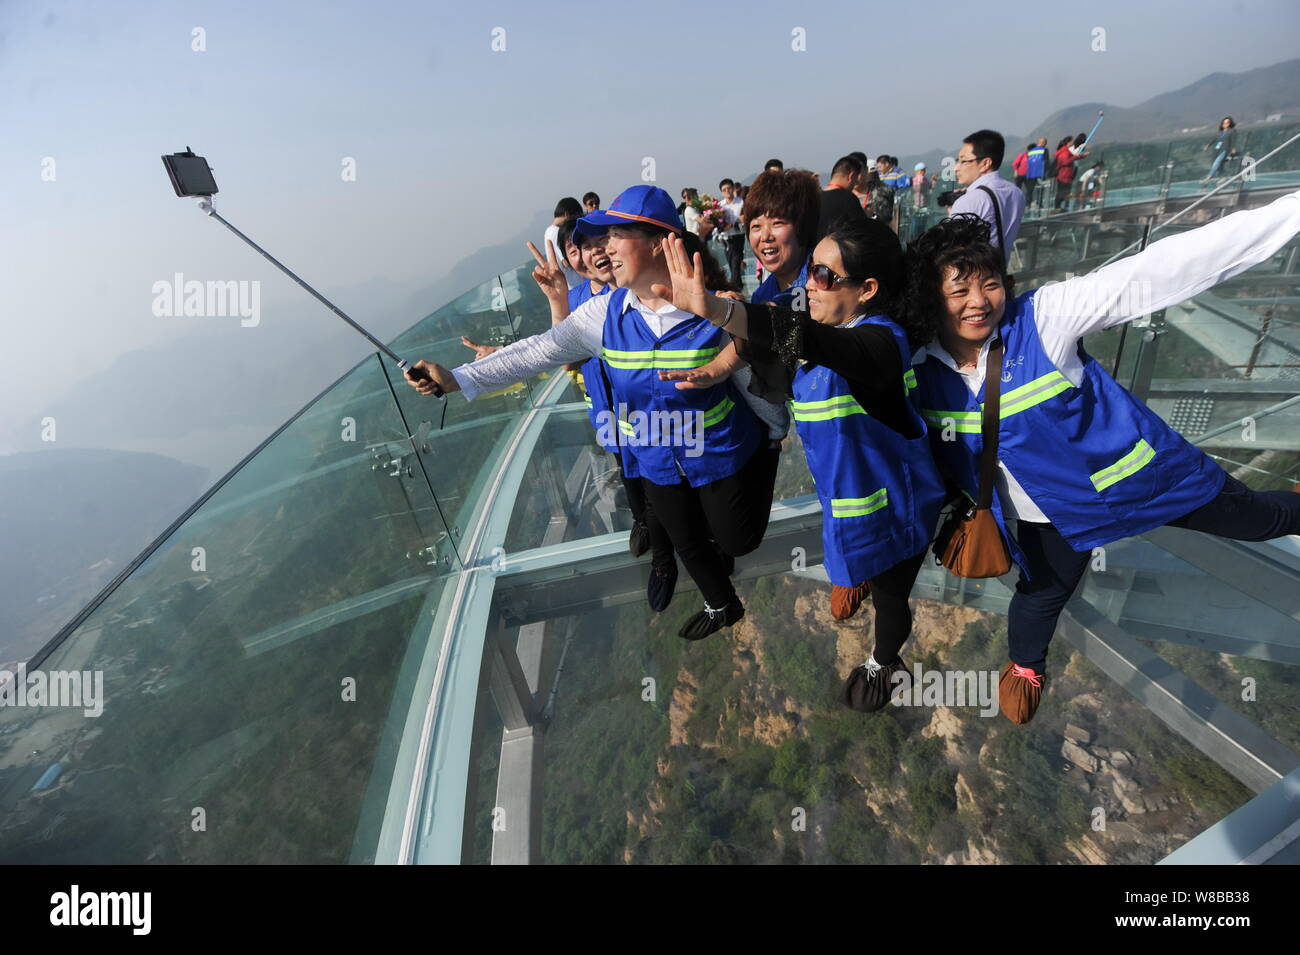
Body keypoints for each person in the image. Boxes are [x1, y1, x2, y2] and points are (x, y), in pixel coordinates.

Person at [904, 192, 1300, 724]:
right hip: (1056, 515)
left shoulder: (1043, 320)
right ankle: (1025, 665)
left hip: (1141, 482)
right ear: (932, 298)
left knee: (1258, 520)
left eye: (990, 283)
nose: (979, 301)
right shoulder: (919, 364)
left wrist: (1290, 213)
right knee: (1041, 592)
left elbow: (1160, 270)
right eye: (959, 289)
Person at [405, 186, 788, 642]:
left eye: (617, 234)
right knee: (684, 539)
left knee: (737, 541)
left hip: (722, 450)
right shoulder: (603, 316)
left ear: (660, 240)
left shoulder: (712, 307)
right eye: (600, 238)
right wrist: (456, 378)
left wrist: (774, 430)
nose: (603, 249)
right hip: (654, 455)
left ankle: (727, 538)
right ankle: (721, 604)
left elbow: (754, 377)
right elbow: (536, 352)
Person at [657, 219, 948, 712]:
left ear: (868, 290)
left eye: (825, 277)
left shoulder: (879, 345)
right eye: (812, 271)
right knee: (859, 568)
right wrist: (712, 366)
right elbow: (774, 346)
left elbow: (815, 343)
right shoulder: (821, 335)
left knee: (890, 597)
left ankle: (882, 661)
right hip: (847, 505)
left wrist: (720, 309)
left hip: (900, 511)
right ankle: (854, 574)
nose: (809, 285)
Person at [744, 168, 820, 306]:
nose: (765, 236)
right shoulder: (761, 296)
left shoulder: (826, 280)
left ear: (802, 226)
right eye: (756, 226)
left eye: (777, 223)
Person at [950, 129, 1025, 259]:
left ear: (985, 163)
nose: (956, 167)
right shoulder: (1017, 193)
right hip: (999, 274)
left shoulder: (970, 200)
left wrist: (955, 210)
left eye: (963, 161)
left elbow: (953, 250)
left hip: (971, 276)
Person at [817, 155, 868, 241]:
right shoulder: (849, 199)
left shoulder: (814, 197)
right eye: (855, 180)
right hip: (839, 250)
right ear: (851, 176)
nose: (855, 185)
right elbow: (862, 230)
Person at [543, 196, 584, 289]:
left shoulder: (548, 231)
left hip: (568, 285)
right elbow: (565, 261)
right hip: (575, 283)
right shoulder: (556, 232)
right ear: (567, 214)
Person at [718, 178, 746, 288]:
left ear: (733, 188)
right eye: (724, 190)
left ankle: (734, 286)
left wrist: (737, 221)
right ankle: (738, 285)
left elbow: (744, 217)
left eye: (729, 188)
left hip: (738, 235)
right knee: (731, 262)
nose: (727, 191)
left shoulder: (741, 202)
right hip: (726, 237)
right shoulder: (720, 205)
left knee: (736, 261)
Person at [1053, 134, 1088, 211]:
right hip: (1064, 175)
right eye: (1072, 141)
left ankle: (1060, 207)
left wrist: (1082, 156)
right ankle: (1057, 207)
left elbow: (1072, 157)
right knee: (1063, 192)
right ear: (1068, 142)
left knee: (1064, 192)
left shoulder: (1066, 150)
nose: (1073, 142)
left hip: (1067, 175)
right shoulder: (1064, 151)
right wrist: (1078, 156)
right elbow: (1066, 161)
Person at [1203, 116, 1238, 182]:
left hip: (1225, 149)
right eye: (1224, 123)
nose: (1225, 124)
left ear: (1230, 123)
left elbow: (1233, 140)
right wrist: (1208, 145)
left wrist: (1233, 149)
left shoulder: (1232, 131)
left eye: (1227, 123)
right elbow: (1215, 139)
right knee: (1219, 164)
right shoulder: (1221, 132)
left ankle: (1209, 177)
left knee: (1217, 162)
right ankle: (1223, 177)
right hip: (1217, 149)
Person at [1024, 138, 1049, 208]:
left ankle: (1027, 205)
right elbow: (1046, 161)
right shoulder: (1044, 150)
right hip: (1040, 172)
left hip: (1031, 172)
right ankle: (1039, 204)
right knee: (1040, 189)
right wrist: (1047, 171)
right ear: (1044, 143)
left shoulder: (1031, 150)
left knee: (1029, 190)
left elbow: (1029, 161)